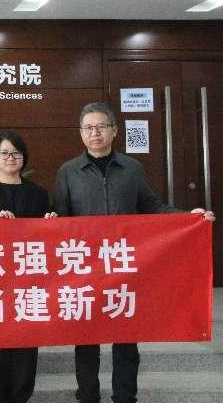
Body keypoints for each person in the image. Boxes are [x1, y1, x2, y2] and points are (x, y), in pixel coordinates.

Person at [52, 102, 215, 403]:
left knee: (126, 339)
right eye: (88, 128)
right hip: (85, 268)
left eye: (101, 127)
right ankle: (87, 395)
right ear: (81, 133)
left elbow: (152, 206)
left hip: (123, 265)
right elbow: (60, 219)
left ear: (115, 130)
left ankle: (125, 397)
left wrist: (187, 217)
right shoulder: (68, 171)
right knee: (85, 341)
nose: (95, 133)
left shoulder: (132, 169)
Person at [0, 131, 56, 403]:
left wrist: (52, 225)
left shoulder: (38, 194)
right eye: (4, 153)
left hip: (27, 285)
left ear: (24, 157)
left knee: (25, 350)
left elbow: (46, 242)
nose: (10, 158)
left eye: (16, 153)